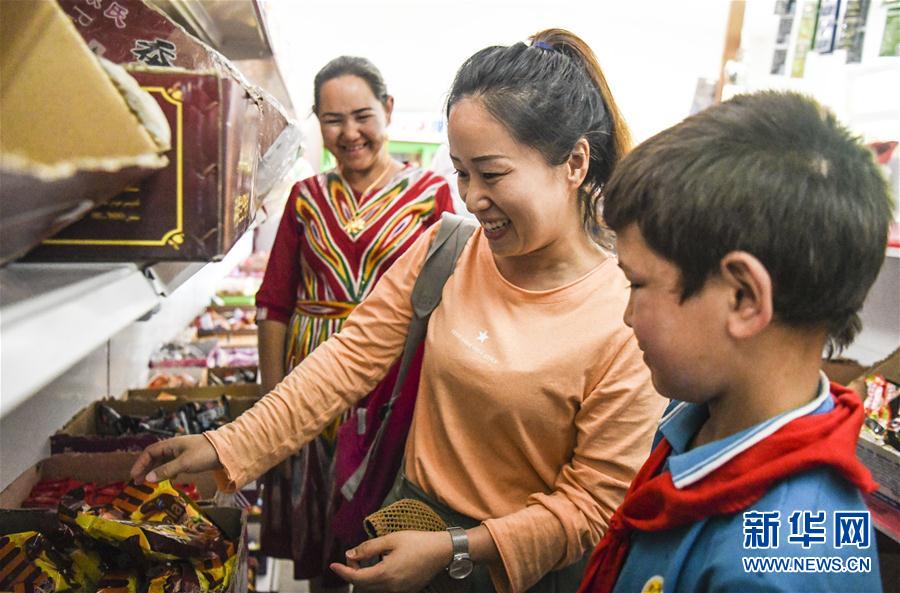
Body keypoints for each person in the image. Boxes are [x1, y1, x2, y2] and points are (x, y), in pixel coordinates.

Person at [132, 29, 666, 593]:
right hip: (407, 527)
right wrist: (225, 443)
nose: (472, 196)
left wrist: (453, 549)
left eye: (492, 173)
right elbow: (347, 362)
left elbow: (593, 504)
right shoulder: (450, 250)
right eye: (461, 172)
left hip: (514, 571)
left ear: (576, 162)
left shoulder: (626, 313)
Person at [577, 91, 892, 593]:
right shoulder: (702, 418)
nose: (628, 316)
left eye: (637, 284)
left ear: (743, 297)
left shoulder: (777, 569)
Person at [253, 55, 455, 591]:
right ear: (318, 123)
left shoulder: (431, 195)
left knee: (384, 530)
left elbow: (448, 300)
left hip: (392, 386)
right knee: (322, 548)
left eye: (362, 115)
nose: (349, 133)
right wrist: (273, 405)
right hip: (310, 392)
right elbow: (274, 303)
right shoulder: (305, 199)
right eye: (332, 119)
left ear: (388, 110)